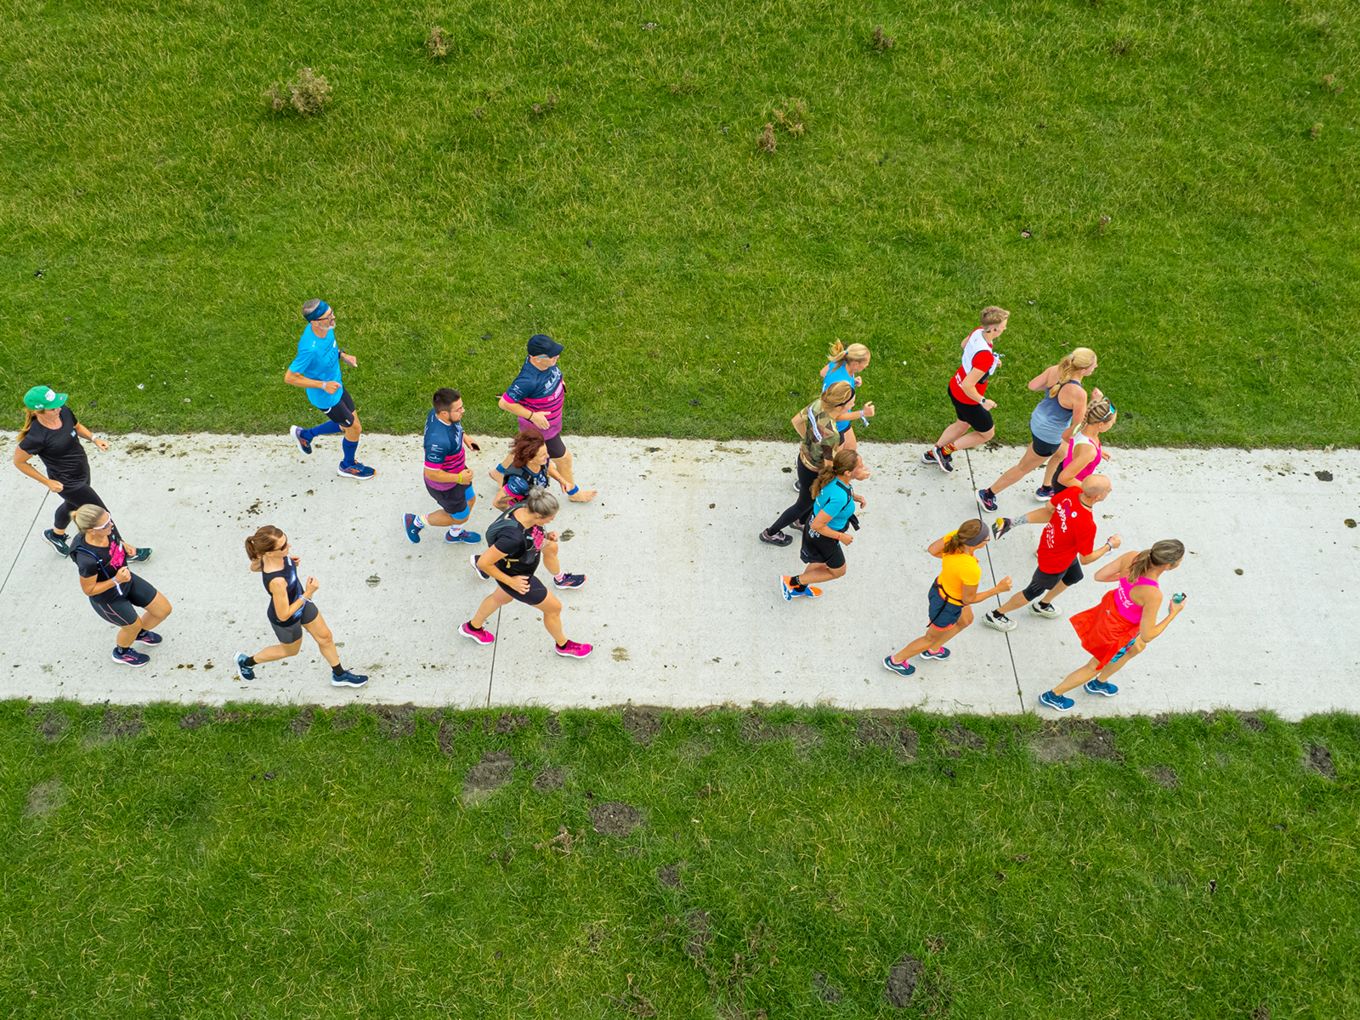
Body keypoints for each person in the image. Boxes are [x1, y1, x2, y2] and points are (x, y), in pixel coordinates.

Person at [1037, 540, 1185, 711]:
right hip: (1117, 631)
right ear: (1168, 565)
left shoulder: (1132, 557)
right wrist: (1173, 612)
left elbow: (1099, 576)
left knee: (1136, 647)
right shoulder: (1152, 593)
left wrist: (1124, 579)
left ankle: (1099, 683)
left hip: (1108, 611)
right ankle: (1052, 695)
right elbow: (1147, 635)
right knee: (1094, 666)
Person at [13, 385, 152, 560]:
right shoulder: (36, 437)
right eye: (52, 408)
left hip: (82, 470)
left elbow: (76, 426)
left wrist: (94, 439)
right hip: (66, 482)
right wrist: (47, 482)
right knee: (101, 515)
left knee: (72, 504)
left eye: (58, 404)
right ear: (38, 411)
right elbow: (19, 462)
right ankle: (123, 551)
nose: (58, 409)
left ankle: (55, 535)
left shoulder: (63, 412)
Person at [460, 488, 590, 657]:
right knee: (554, 608)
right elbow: (484, 563)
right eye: (551, 517)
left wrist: (545, 536)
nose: (553, 519)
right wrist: (511, 582)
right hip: (517, 577)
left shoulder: (524, 507)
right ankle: (563, 646)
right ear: (538, 515)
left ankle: (472, 627)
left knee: (500, 597)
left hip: (516, 564)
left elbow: (530, 531)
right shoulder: (512, 538)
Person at [234, 525, 368, 688]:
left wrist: (291, 565)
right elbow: (284, 615)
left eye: (286, 541)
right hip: (287, 618)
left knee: (325, 637)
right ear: (269, 553)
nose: (288, 546)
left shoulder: (268, 557)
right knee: (290, 651)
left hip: (300, 602)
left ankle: (339, 675)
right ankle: (246, 662)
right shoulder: (277, 581)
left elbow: (254, 567)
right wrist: (308, 593)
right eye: (283, 547)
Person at [982, 475, 1121, 631]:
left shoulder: (1073, 491)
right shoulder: (1087, 524)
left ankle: (1043, 604)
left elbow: (1049, 507)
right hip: (1054, 562)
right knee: (1032, 591)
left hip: (1055, 546)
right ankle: (995, 615)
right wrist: (1109, 545)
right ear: (1098, 497)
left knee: (1075, 576)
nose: (1110, 489)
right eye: (1108, 489)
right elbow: (1086, 559)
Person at [882, 519, 1012, 677]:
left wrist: (951, 564)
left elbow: (932, 550)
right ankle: (896, 661)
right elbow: (968, 599)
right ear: (977, 543)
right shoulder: (970, 568)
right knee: (929, 638)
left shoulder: (956, 537)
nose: (987, 541)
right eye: (987, 539)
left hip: (941, 588)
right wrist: (998, 589)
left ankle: (934, 649)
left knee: (966, 620)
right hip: (947, 606)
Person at [977, 347, 1099, 511]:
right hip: (1048, 435)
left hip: (1037, 420)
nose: (1095, 367)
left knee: (1061, 453)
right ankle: (988, 494)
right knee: (1023, 467)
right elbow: (1078, 424)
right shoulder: (1079, 393)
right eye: (1093, 366)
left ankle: (1046, 487)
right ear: (1083, 370)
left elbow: (1032, 386)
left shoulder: (1055, 370)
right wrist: (1094, 402)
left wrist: (1054, 389)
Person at [68, 504, 171, 668]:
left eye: (109, 519)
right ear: (91, 530)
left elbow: (115, 540)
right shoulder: (87, 559)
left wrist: (124, 545)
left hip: (126, 580)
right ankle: (122, 652)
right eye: (105, 525)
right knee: (132, 626)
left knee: (163, 610)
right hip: (109, 598)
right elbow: (89, 589)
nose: (111, 525)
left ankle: (138, 633)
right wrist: (116, 580)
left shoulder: (106, 530)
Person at [285, 299, 375, 479]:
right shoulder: (309, 349)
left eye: (332, 313)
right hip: (325, 396)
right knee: (353, 428)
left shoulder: (326, 329)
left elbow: (330, 349)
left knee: (350, 425)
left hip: (336, 385)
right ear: (315, 322)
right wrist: (323, 385)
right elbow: (290, 377)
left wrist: (343, 355)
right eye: (328, 317)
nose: (333, 318)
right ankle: (347, 465)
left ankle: (305, 435)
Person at [498, 334, 595, 502]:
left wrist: (559, 384)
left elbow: (554, 374)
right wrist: (532, 416)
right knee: (564, 459)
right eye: (552, 356)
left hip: (552, 423)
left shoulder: (546, 364)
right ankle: (574, 493)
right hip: (542, 430)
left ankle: (498, 472)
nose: (557, 357)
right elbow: (504, 403)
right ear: (537, 358)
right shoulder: (527, 380)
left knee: (525, 450)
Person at [759, 381, 855, 547]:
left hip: (803, 459)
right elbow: (828, 466)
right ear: (841, 405)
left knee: (808, 500)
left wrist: (809, 440)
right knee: (802, 504)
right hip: (813, 472)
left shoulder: (819, 404)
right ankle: (770, 533)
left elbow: (796, 421)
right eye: (852, 402)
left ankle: (801, 521)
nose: (853, 404)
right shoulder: (832, 434)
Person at [922, 306, 1010, 473]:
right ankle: (943, 452)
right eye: (1003, 326)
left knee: (962, 424)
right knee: (986, 434)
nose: (1005, 328)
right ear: (993, 329)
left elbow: (964, 345)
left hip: (954, 385)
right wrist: (983, 401)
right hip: (968, 399)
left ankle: (932, 454)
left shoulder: (978, 331)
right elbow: (968, 385)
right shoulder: (984, 356)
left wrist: (990, 360)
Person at [782, 448, 869, 600]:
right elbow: (817, 525)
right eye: (860, 466)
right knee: (838, 571)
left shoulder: (835, 477)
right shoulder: (839, 497)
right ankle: (792, 582)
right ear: (848, 472)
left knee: (820, 562)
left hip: (817, 531)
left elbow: (837, 493)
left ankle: (799, 588)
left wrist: (855, 497)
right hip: (824, 537)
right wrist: (841, 537)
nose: (864, 468)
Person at [404, 388, 482, 545]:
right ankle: (416, 522)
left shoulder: (438, 414)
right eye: (459, 409)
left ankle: (454, 534)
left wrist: (465, 438)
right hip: (446, 485)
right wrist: (459, 478)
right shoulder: (438, 442)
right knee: (461, 517)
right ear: (445, 413)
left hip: (459, 471)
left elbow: (456, 427)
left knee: (471, 499)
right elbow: (431, 473)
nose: (463, 411)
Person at [1038, 397, 1117, 493]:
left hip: (1064, 468)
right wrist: (1089, 490)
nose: (1113, 424)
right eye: (1112, 423)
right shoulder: (1089, 452)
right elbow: (1063, 479)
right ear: (1101, 424)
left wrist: (1098, 452)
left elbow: (1066, 437)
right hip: (1069, 489)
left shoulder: (1082, 428)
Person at [487, 431, 569, 511]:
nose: (547, 456)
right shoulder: (518, 482)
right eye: (542, 455)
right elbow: (498, 502)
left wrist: (561, 480)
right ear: (530, 459)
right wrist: (520, 515)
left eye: (546, 452)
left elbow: (548, 467)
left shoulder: (542, 461)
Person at [819, 341, 875, 453]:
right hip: (834, 427)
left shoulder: (838, 363)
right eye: (866, 363)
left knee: (851, 450)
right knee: (838, 460)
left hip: (840, 423)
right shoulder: (842, 381)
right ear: (855, 364)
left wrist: (852, 381)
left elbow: (823, 373)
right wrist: (863, 413)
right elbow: (836, 416)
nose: (867, 365)